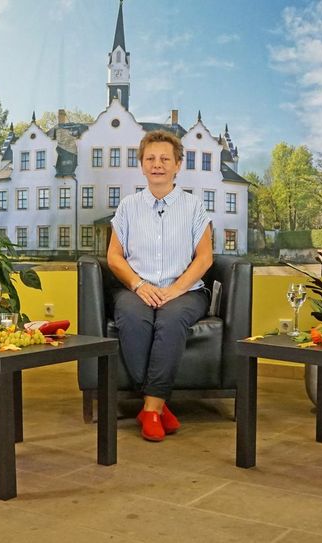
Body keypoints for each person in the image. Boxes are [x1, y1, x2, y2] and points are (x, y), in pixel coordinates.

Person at [106, 130, 213, 442]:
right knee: (133, 319)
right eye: (150, 158)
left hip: (186, 292)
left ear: (178, 165)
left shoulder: (194, 206)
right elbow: (114, 256)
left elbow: (205, 258)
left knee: (169, 320)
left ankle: (151, 409)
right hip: (136, 289)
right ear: (141, 165)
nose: (157, 164)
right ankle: (157, 405)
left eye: (165, 158)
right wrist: (139, 285)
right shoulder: (128, 206)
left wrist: (176, 290)